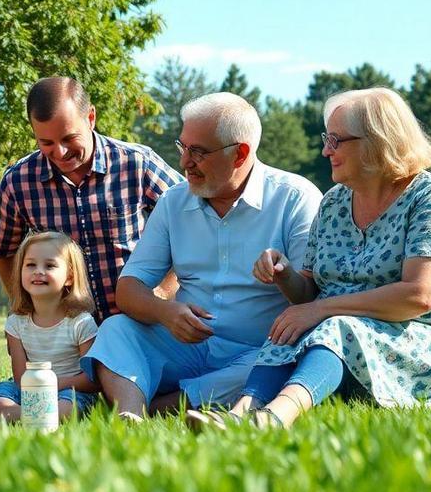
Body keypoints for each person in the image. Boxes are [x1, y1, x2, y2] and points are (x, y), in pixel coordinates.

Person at [188, 88, 431, 431]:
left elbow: (419, 296)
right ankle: (242, 410)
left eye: (336, 141)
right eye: (326, 139)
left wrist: (321, 309)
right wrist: (284, 272)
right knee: (291, 323)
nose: (325, 150)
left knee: (335, 325)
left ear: (378, 141)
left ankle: (276, 417)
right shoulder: (334, 202)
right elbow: (311, 292)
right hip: (358, 331)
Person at [82, 93, 322, 417]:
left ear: (240, 154)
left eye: (198, 152)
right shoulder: (173, 202)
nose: (184, 162)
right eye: (183, 147)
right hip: (186, 348)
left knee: (288, 355)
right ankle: (132, 416)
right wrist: (165, 312)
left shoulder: (295, 198)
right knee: (116, 329)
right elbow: (128, 289)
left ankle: (165, 406)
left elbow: (311, 298)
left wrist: (284, 274)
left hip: (258, 351)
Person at [0, 77, 183, 320]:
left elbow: (192, 221)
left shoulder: (137, 162)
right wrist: (27, 307)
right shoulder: (18, 181)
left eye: (69, 138)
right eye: (46, 142)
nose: (59, 152)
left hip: (138, 322)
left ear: (91, 118)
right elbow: (3, 251)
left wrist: (163, 292)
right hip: (65, 329)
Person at [0, 232, 100, 422]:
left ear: (70, 277)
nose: (38, 271)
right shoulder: (16, 323)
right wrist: (36, 389)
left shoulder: (81, 322)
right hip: (29, 389)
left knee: (68, 405)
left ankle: (33, 416)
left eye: (49, 265)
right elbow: (21, 378)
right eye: (30, 265)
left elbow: (91, 379)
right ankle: (31, 416)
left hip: (68, 391)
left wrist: (51, 385)